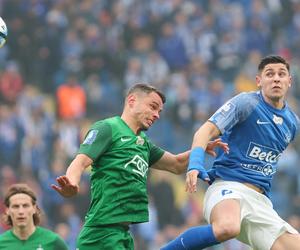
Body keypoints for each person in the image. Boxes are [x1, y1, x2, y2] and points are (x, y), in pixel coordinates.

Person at [51, 83, 228, 250]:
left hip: (123, 234)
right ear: (132, 101)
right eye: (152, 106)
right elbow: (79, 161)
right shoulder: (108, 128)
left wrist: (200, 147)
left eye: (159, 111)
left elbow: (176, 165)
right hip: (101, 233)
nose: (157, 115)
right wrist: (72, 183)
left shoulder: (143, 143)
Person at [161, 55, 300, 250]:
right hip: (228, 187)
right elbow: (205, 131)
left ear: (289, 81)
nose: (276, 78)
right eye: (269, 74)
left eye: (281, 74)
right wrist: (195, 163)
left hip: (260, 202)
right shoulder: (246, 103)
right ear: (259, 81)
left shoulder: (292, 123)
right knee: (228, 227)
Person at [0, 183, 68, 250]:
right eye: (15, 206)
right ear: (7, 210)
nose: (21, 211)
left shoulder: (54, 241)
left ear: (34, 209)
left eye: (25, 206)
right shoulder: (1, 243)